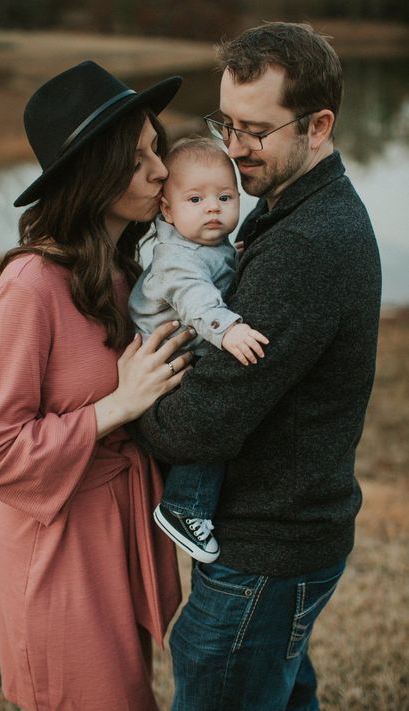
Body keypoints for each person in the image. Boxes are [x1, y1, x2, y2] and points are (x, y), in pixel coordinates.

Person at [130, 22, 382, 710]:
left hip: (266, 551)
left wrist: (130, 397)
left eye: (256, 130)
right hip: (286, 539)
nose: (233, 149)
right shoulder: (288, 209)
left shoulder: (306, 243)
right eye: (226, 123)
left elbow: (199, 427)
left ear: (319, 125)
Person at [0, 60, 195, 711]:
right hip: (58, 550)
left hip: (118, 535)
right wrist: (116, 405)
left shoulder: (124, 272)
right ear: (92, 173)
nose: (160, 170)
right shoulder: (30, 286)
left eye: (158, 147)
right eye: (137, 159)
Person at [129, 137, 269, 563]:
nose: (213, 207)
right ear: (167, 211)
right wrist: (227, 331)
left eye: (225, 197)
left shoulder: (209, 244)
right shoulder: (175, 257)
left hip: (184, 356)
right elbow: (194, 297)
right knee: (208, 423)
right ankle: (183, 507)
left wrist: (236, 256)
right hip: (165, 368)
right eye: (195, 198)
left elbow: (216, 270)